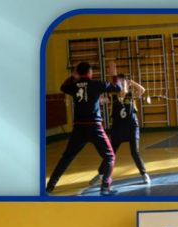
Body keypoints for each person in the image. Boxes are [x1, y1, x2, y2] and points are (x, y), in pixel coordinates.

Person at [46, 61, 122, 196]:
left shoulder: (73, 85)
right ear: (90, 72)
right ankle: (105, 187)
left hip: (79, 128)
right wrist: (114, 75)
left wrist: (73, 76)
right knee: (110, 156)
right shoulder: (97, 84)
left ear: (78, 73)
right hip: (94, 127)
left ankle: (50, 186)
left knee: (66, 158)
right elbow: (118, 88)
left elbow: (63, 87)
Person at [89, 74, 151, 186]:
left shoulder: (131, 95)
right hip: (117, 128)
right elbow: (100, 100)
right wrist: (96, 95)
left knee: (135, 152)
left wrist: (132, 82)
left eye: (123, 83)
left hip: (131, 127)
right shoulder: (112, 97)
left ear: (127, 84)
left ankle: (144, 174)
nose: (121, 85)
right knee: (111, 153)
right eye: (119, 83)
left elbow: (142, 90)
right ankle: (100, 174)